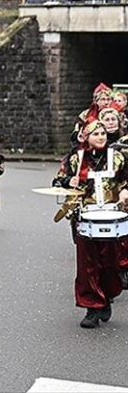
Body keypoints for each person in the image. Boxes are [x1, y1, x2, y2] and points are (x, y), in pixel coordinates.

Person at [52, 121, 128, 328]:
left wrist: (125, 190)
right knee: (88, 265)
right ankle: (92, 307)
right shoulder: (76, 159)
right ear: (85, 137)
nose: (101, 136)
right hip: (86, 216)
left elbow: (125, 179)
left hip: (112, 215)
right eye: (96, 134)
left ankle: (106, 297)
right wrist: (69, 182)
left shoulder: (119, 157)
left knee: (110, 263)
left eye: (103, 133)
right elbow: (57, 180)